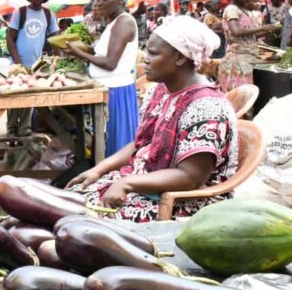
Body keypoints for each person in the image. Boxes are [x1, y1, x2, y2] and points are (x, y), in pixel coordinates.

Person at [66, 16, 236, 222]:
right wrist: (98, 170)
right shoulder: (160, 91)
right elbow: (140, 144)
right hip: (145, 184)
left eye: (153, 53)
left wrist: (127, 183)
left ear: (180, 58)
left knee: (79, 220)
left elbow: (191, 178)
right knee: (67, 201)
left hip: (183, 202)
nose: (145, 58)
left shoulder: (206, 107)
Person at [67, 0, 139, 157]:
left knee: (116, 146)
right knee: (106, 143)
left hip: (116, 92)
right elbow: (103, 53)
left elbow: (110, 63)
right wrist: (84, 49)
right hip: (108, 90)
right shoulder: (114, 23)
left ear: (120, 1)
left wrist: (79, 54)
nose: (98, 3)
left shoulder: (124, 22)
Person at [7, 0, 59, 138]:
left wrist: (59, 60)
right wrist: (18, 63)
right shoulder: (20, 13)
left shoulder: (48, 15)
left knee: (28, 99)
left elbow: (55, 38)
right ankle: (11, 128)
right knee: (14, 97)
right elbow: (10, 38)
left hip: (36, 65)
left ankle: (24, 128)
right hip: (18, 64)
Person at [218, 0, 278, 92]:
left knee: (281, 58)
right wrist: (262, 27)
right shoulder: (231, 9)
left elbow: (252, 36)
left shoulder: (246, 11)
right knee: (243, 92)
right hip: (240, 55)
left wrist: (270, 30)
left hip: (253, 50)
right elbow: (236, 31)